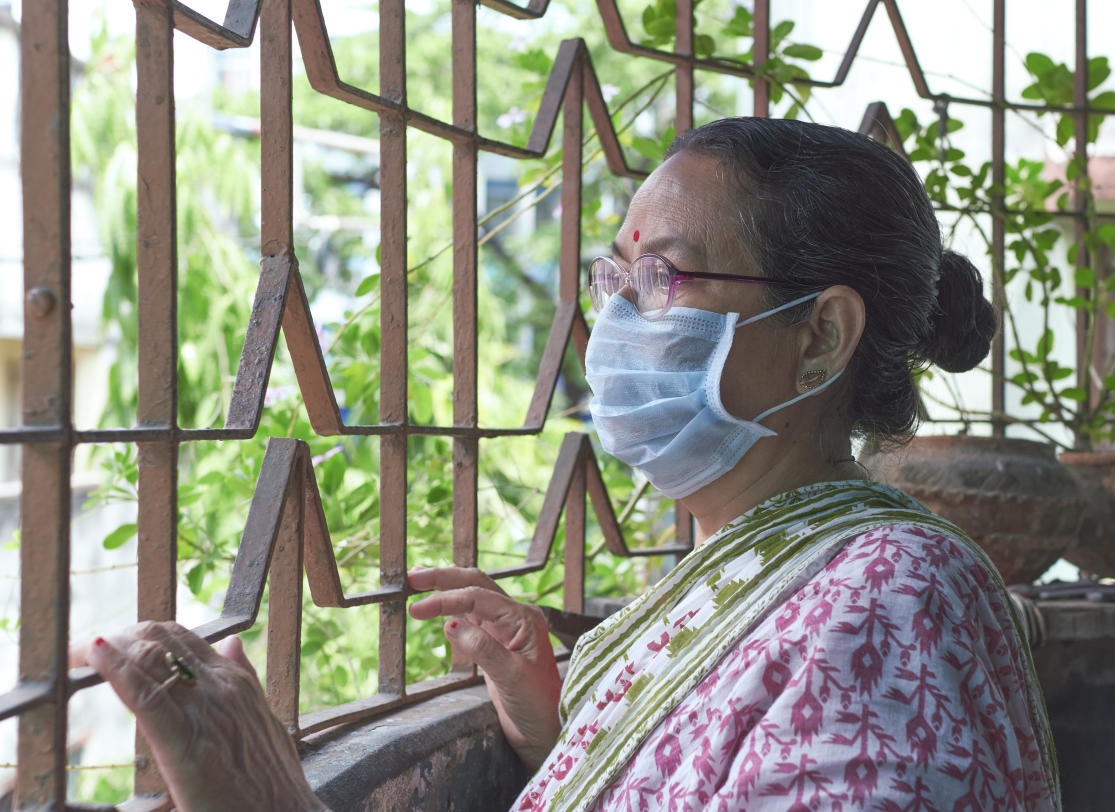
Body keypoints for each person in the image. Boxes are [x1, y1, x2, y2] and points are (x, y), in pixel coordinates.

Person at [74, 118, 1060, 810]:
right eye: (615, 275)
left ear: (820, 336)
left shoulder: (896, 596)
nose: (619, 316)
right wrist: (566, 724)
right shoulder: (771, 572)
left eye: (664, 274)